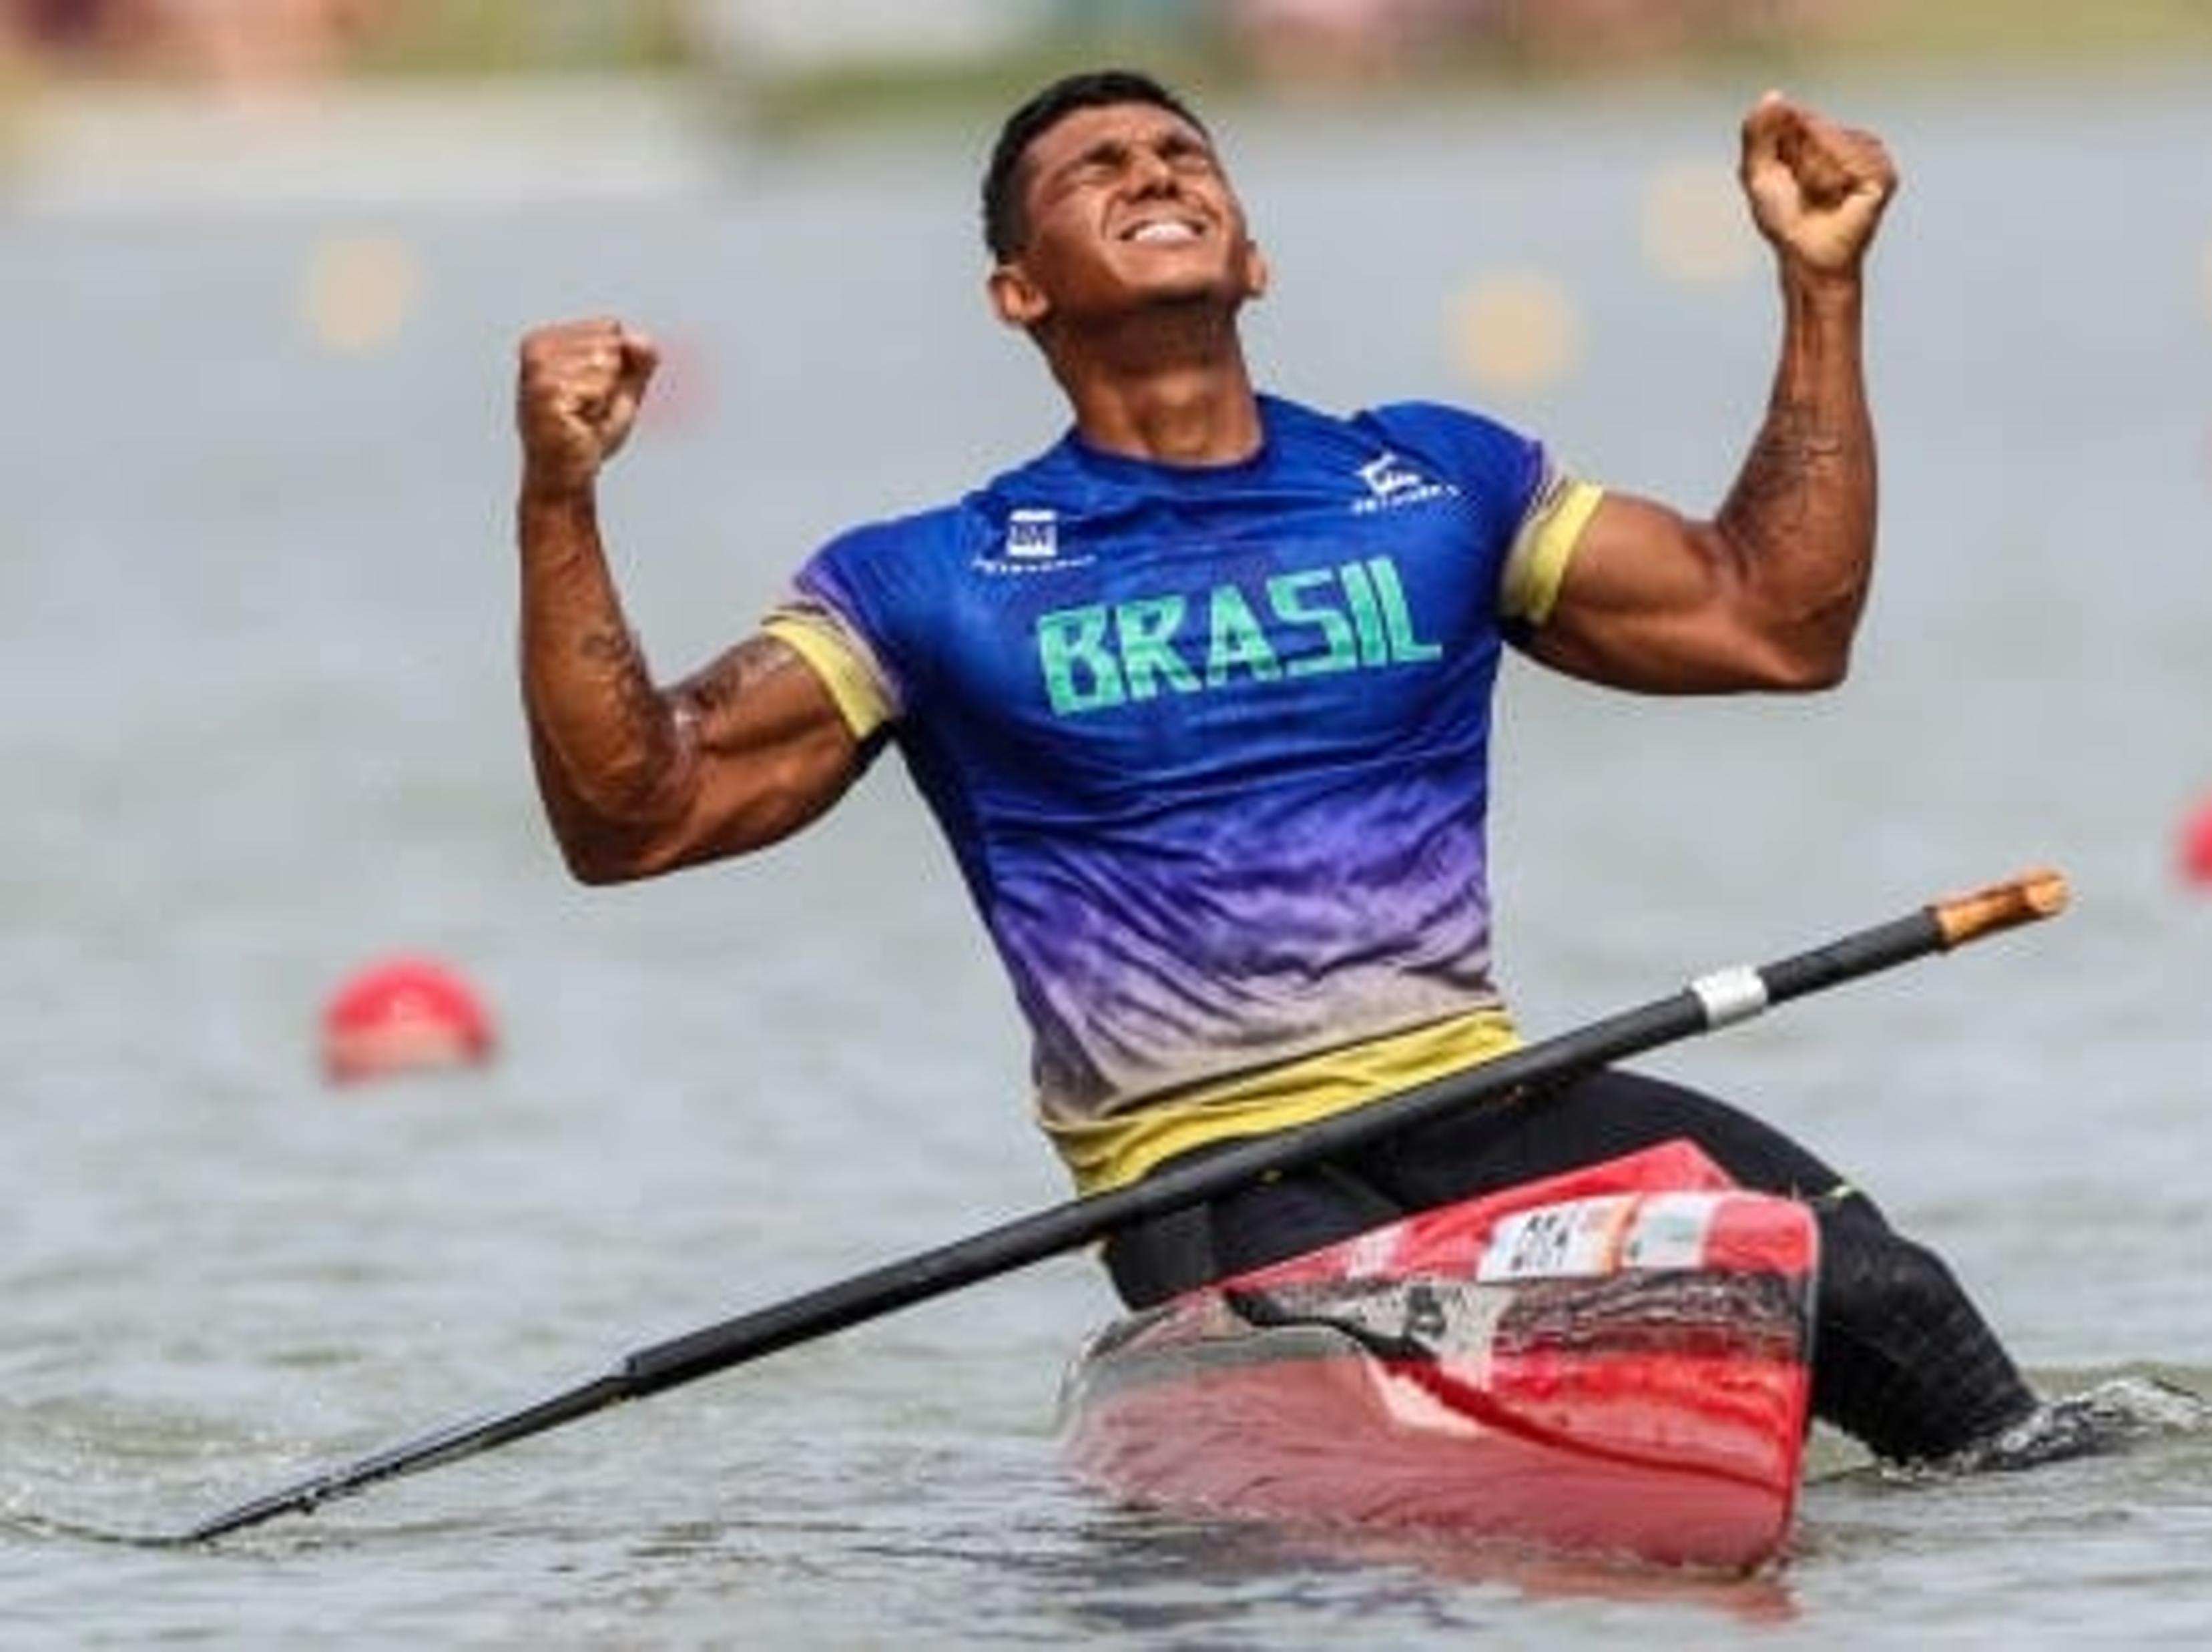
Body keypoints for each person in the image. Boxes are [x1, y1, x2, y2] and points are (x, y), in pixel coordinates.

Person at [513, 69, 2044, 1464]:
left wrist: (1819, 284)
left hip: (1483, 1094)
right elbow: (635, 817)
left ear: (1251, 257)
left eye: (1186, 151)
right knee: (1391, 1356)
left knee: (1884, 1290)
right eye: (1094, 166)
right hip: (1203, 1162)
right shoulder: (933, 582)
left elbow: (1775, 621)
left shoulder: (1437, 482)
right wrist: (560, 498)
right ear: (1018, 289)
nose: (1153, 168)